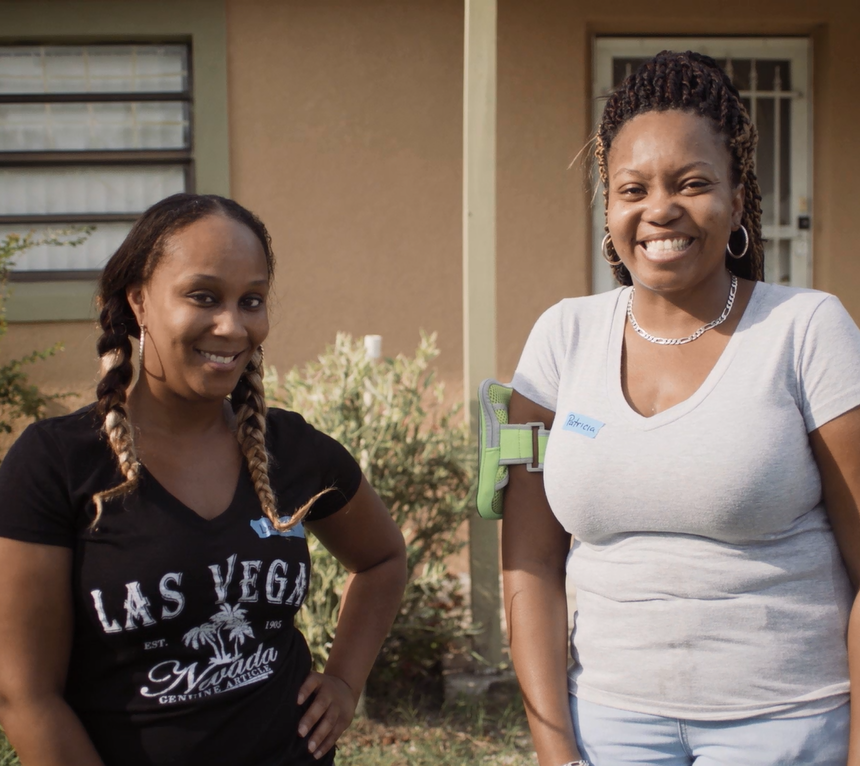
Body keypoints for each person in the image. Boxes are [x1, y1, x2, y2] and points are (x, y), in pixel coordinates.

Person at [502, 51, 860, 766]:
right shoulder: (561, 340)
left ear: (736, 197)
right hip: (607, 726)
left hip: (784, 726)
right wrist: (555, 750)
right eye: (632, 188)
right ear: (609, 207)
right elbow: (529, 566)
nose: (659, 209)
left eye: (692, 183)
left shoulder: (807, 331)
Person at [0, 193, 407, 766]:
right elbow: (25, 695)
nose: (232, 325)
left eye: (252, 300)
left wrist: (343, 682)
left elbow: (383, 559)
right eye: (203, 296)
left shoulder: (290, 449)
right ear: (138, 301)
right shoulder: (55, 465)